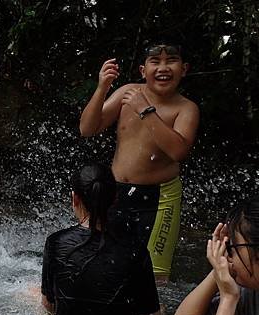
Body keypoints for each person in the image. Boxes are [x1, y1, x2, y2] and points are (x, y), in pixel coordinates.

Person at [79, 42, 200, 282]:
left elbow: (177, 151)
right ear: (143, 71)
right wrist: (102, 88)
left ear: (184, 69)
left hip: (160, 198)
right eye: (155, 62)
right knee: (100, 262)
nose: (163, 67)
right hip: (114, 192)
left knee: (154, 278)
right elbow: (87, 128)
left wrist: (145, 110)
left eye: (171, 61)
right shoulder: (128, 92)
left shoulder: (186, 108)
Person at [41, 163, 162, 315]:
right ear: (115, 199)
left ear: (74, 198)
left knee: (28, 296)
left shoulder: (55, 242)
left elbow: (49, 306)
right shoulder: (135, 249)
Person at [158, 197, 259, 315]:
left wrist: (228, 298)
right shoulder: (251, 288)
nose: (228, 254)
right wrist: (218, 271)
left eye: (232, 247)